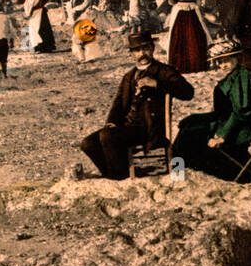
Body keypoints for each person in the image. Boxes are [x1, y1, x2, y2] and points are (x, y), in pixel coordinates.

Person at [79, 32, 195, 179]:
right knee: (88, 143)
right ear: (132, 54)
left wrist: (157, 84)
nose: (142, 53)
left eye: (145, 48)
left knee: (107, 137)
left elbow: (188, 92)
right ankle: (111, 175)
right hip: (128, 127)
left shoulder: (164, 71)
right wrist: (112, 123)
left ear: (152, 48)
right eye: (137, 50)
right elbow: (118, 104)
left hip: (149, 129)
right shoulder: (129, 76)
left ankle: (119, 178)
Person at [173, 37, 251, 182]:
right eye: (220, 62)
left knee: (191, 134)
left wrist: (222, 135)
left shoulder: (244, 76)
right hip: (226, 119)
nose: (223, 65)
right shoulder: (231, 77)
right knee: (188, 124)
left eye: (227, 60)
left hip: (245, 124)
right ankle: (178, 171)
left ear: (237, 57)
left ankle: (178, 173)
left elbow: (242, 111)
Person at [165, 0, 209, 74]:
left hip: (179, 10)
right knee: (194, 35)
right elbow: (199, 1)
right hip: (192, 10)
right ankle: (195, 64)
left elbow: (171, 2)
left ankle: (178, 64)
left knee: (178, 36)